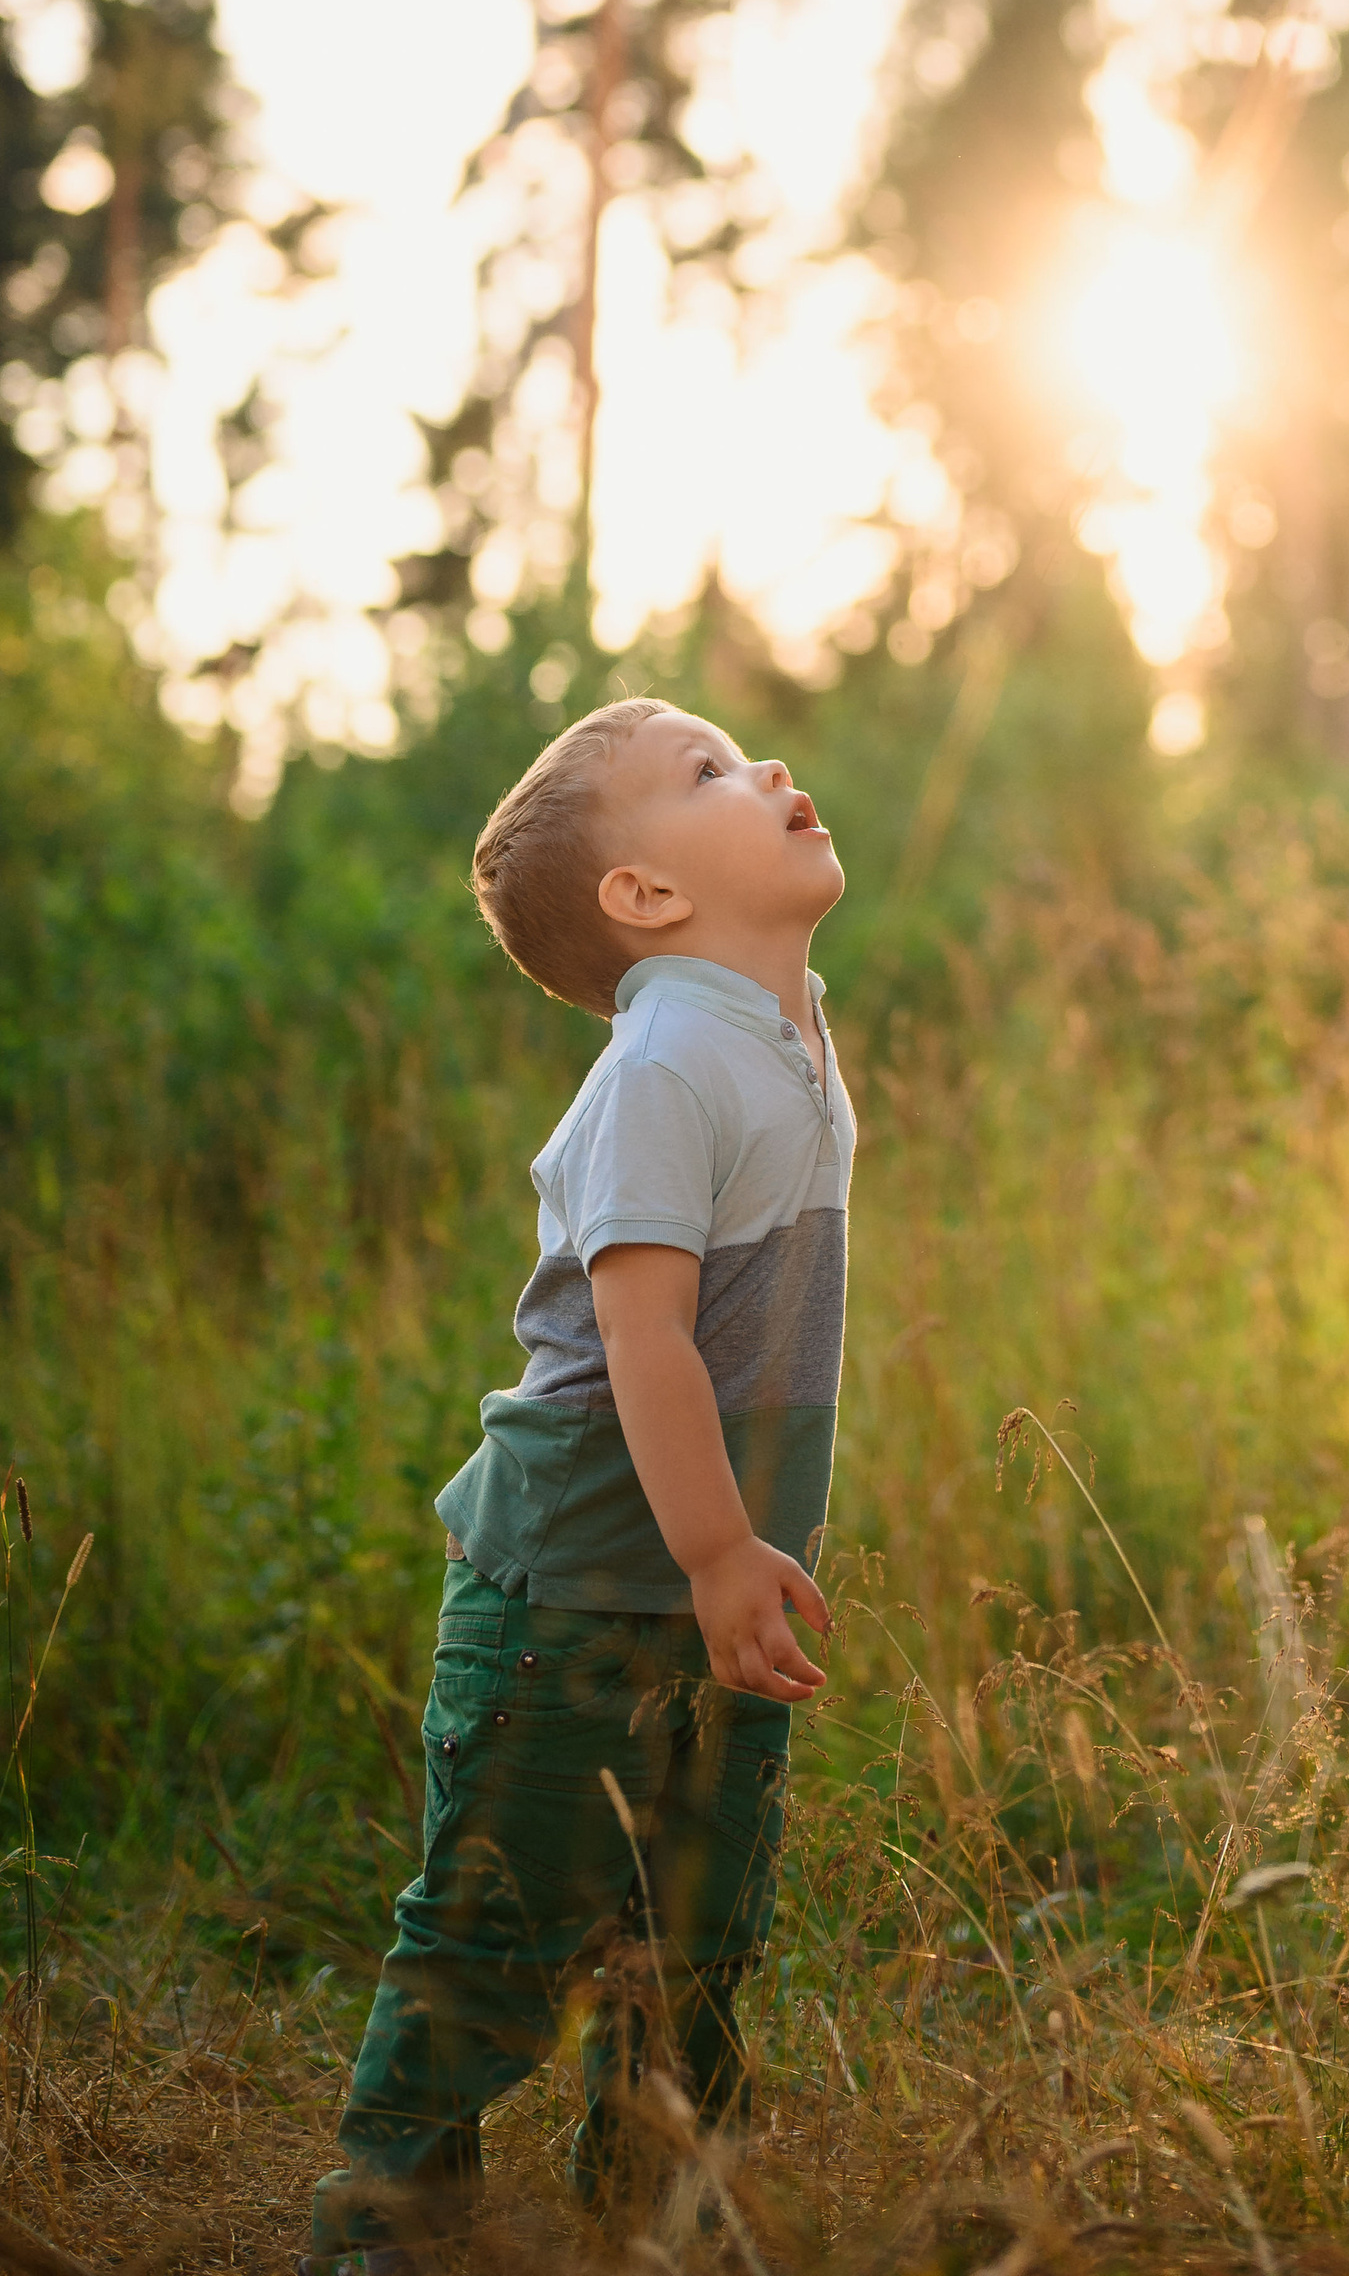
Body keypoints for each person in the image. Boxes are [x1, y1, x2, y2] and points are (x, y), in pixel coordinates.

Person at [306, 698, 852, 2269]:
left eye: (744, 752)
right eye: (706, 772)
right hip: (574, 1589)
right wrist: (717, 1549)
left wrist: (738, 1562)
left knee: (691, 1942)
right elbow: (645, 1338)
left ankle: (652, 2213)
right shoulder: (666, 1063)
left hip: (713, 1581)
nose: (766, 770)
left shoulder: (783, 1022)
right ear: (644, 900)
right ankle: (383, 2235)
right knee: (489, 1937)